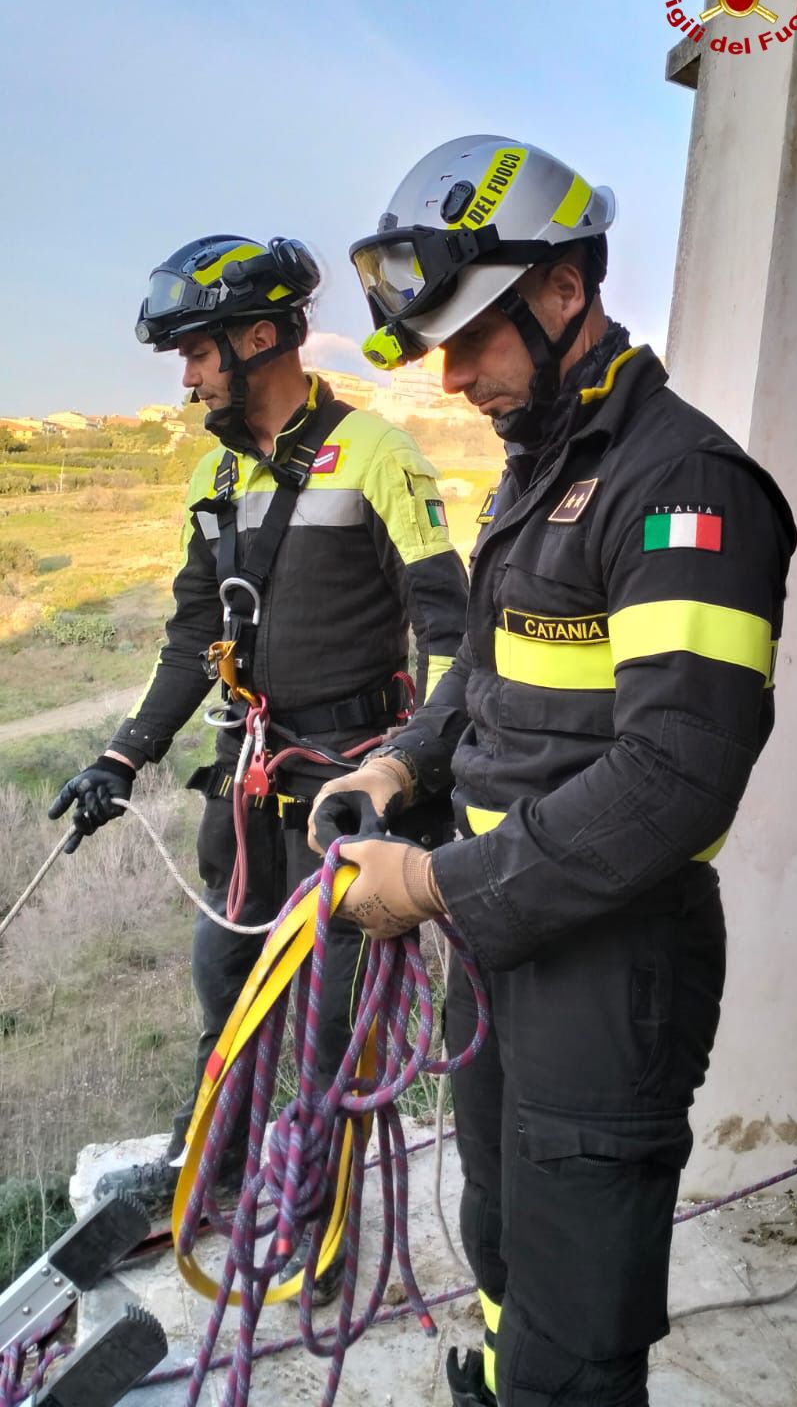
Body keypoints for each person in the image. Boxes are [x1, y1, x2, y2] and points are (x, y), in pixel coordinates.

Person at [307, 138, 797, 1403]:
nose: (453, 374)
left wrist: (427, 885)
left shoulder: (679, 486)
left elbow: (676, 777)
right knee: (507, 1226)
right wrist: (399, 766)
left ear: (565, 289)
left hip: (611, 960)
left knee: (577, 1314)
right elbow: (481, 668)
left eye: (471, 336)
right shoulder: (541, 469)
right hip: (506, 935)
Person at [48, 233, 468, 1296]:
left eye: (196, 353)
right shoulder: (216, 470)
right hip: (244, 781)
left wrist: (421, 772)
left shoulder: (377, 452)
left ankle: (316, 1225)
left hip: (346, 788)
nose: (185, 377)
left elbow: (448, 625)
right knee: (226, 982)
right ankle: (215, 1176)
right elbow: (196, 634)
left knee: (328, 1016)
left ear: (261, 335)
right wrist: (120, 752)